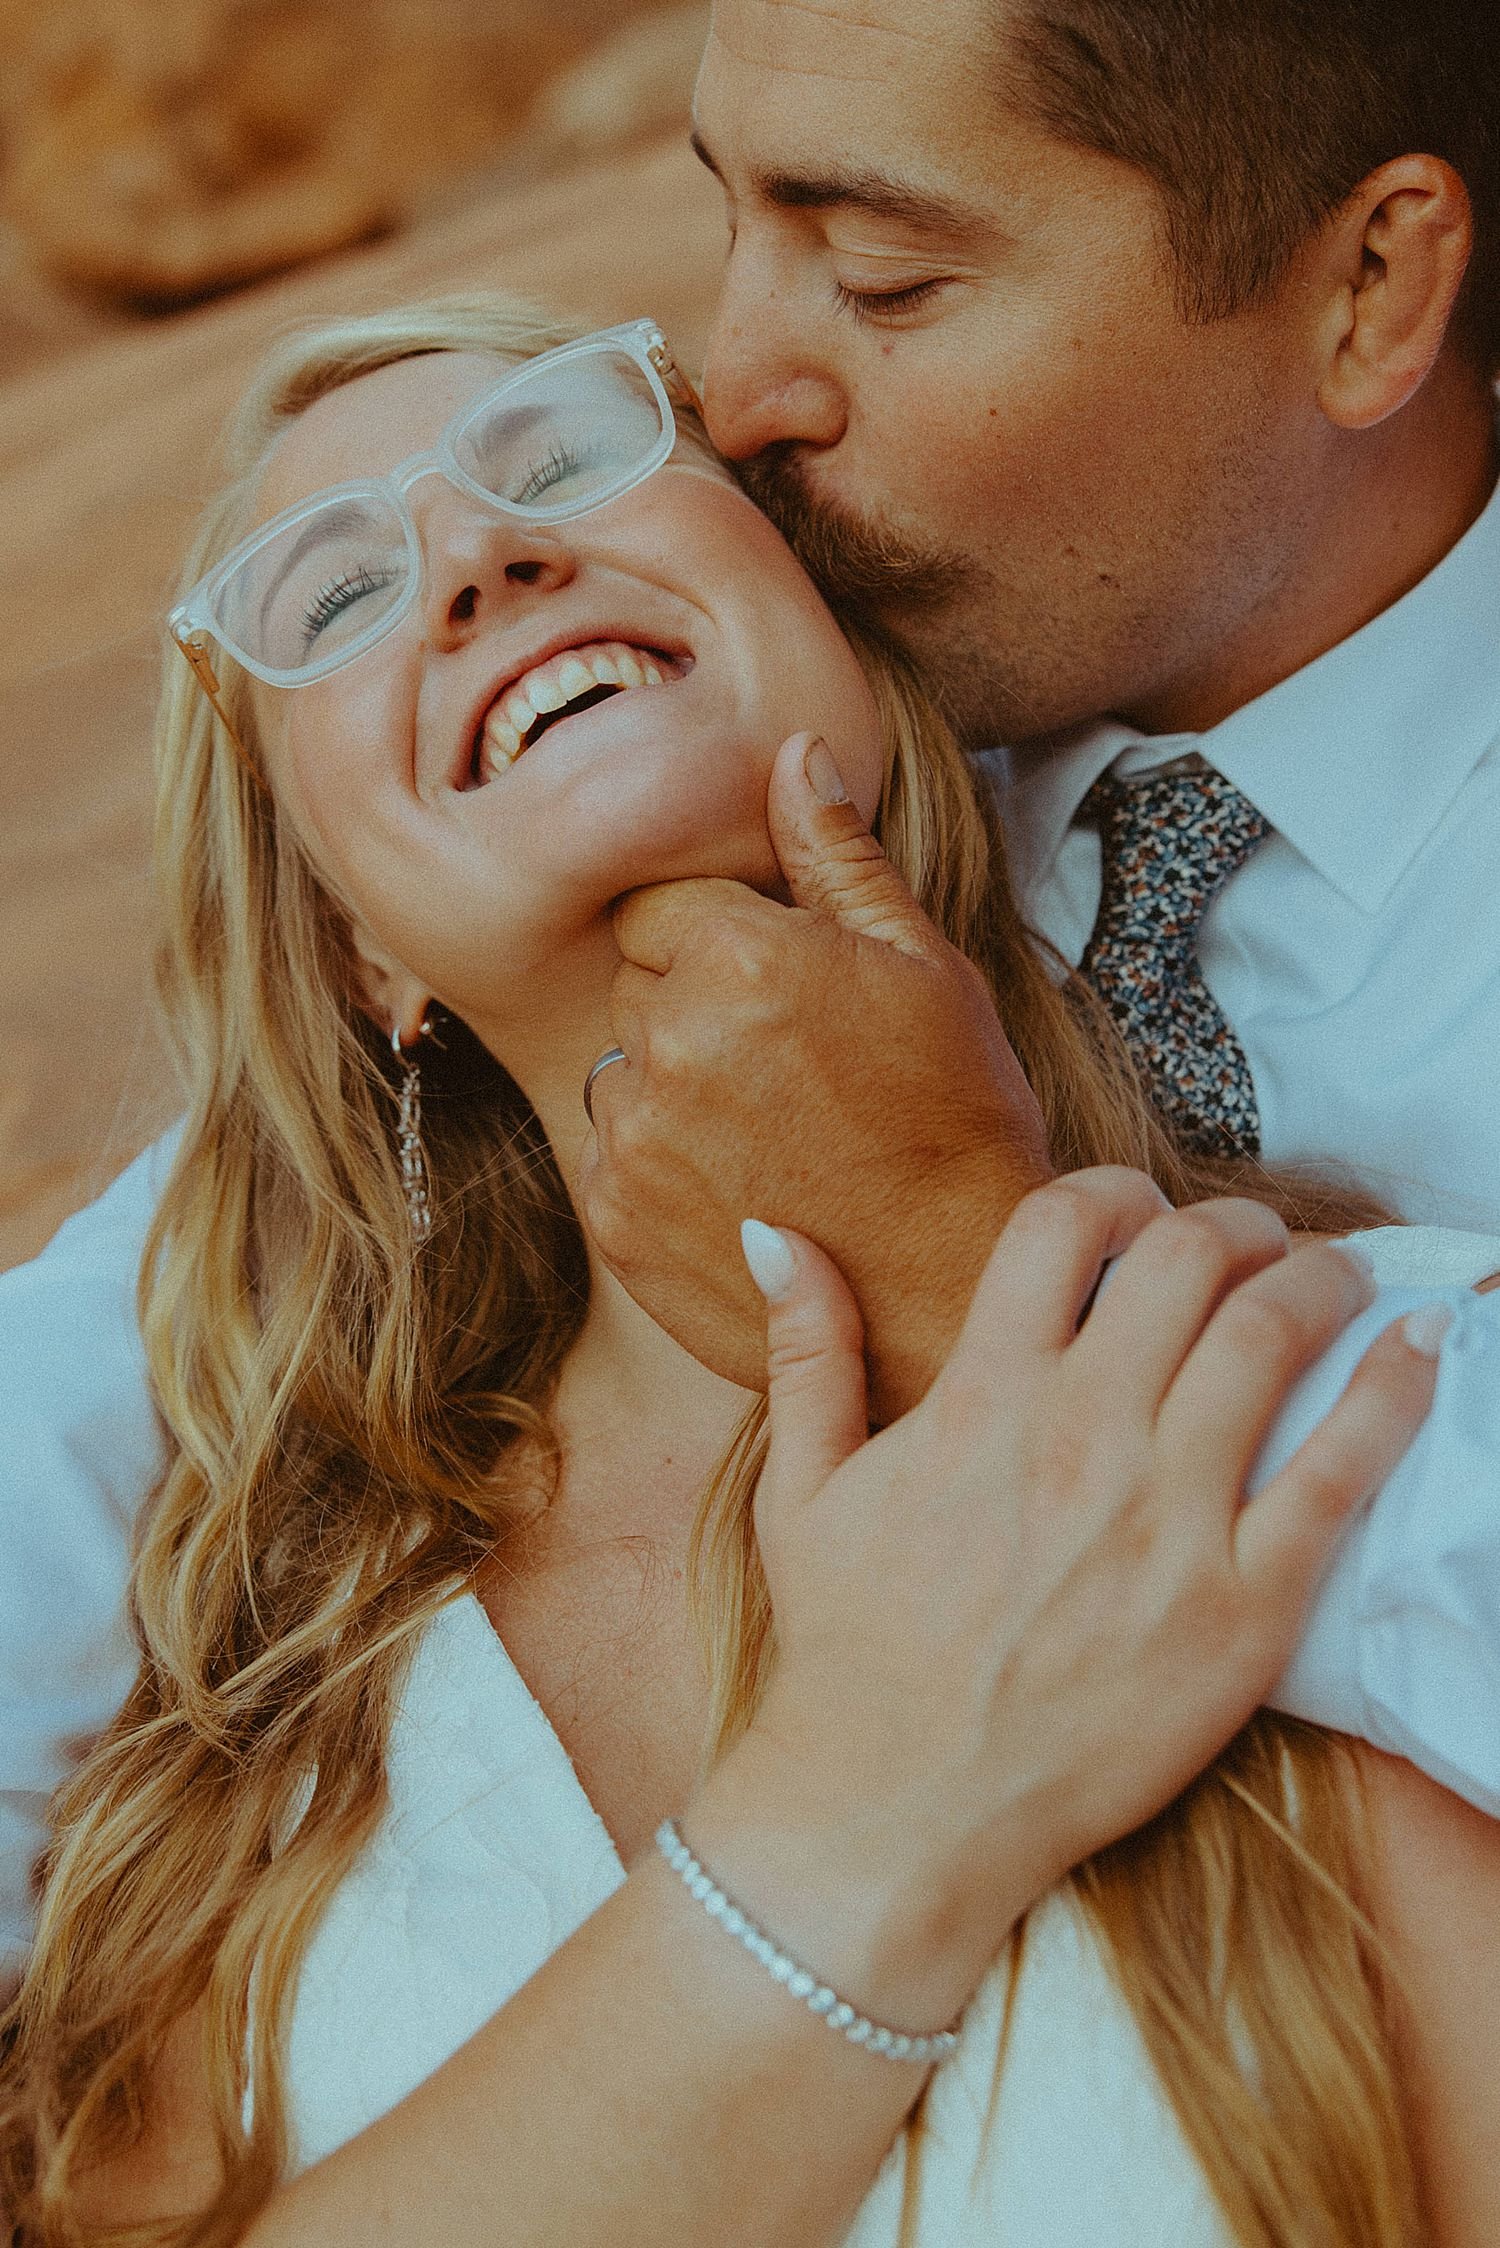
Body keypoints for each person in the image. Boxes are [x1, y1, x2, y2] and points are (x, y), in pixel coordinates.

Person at [2, 298, 1496, 2248]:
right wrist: (868, 1799)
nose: (478, 556)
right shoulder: (213, 1723)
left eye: (559, 459)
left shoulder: (1360, 1390)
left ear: (856, 656)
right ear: (361, 948)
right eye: (330, 590)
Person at [579, 0, 1500, 1425]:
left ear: (1371, 284)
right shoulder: (743, 741)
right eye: (734, 223)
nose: (737, 392)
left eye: (887, 278)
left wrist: (959, 1296)